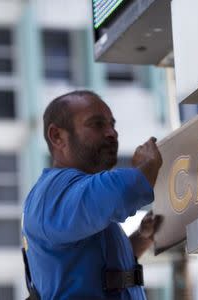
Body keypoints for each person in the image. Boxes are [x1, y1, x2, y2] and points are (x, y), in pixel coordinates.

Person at [21, 90, 163, 300]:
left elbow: (88, 272)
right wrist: (147, 166)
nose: (111, 133)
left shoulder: (73, 197)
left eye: (112, 125)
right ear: (57, 136)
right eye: (97, 124)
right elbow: (120, 192)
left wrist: (140, 239)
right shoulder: (52, 193)